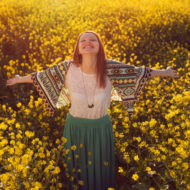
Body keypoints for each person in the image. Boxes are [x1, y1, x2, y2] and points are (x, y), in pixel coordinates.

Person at [6, 30, 179, 190]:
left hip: (101, 129)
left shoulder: (111, 68)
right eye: (83, 40)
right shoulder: (67, 68)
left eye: (92, 39)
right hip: (75, 128)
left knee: (100, 169)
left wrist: (166, 72)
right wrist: (20, 79)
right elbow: (42, 76)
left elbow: (139, 72)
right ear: (78, 48)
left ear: (99, 46)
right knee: (76, 171)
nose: (88, 42)